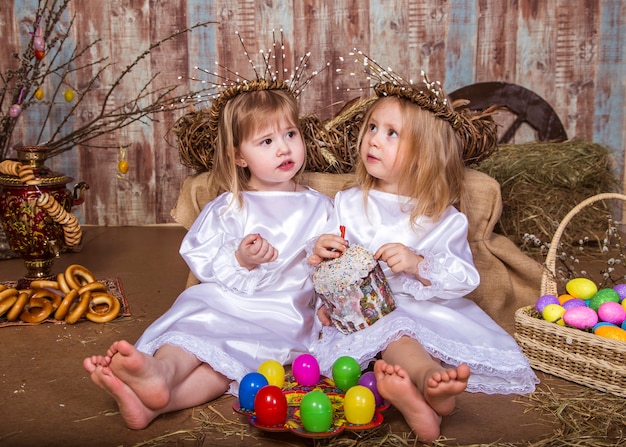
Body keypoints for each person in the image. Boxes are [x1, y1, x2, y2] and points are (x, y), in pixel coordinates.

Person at [83, 85, 334, 430]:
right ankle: (163, 373)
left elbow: (332, 259)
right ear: (238, 157)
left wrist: (325, 271)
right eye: (266, 142)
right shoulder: (231, 206)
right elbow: (202, 255)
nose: (284, 148)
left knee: (227, 363)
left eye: (290, 134)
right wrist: (242, 259)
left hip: (283, 314)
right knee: (195, 323)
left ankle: (158, 402)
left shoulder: (319, 207)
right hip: (227, 301)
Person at [308, 76, 538, 442]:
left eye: (391, 134)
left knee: (401, 334)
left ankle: (424, 387)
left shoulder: (440, 216)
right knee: (391, 336)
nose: (374, 139)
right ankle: (426, 391)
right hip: (364, 315)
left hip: (425, 311)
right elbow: (332, 265)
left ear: (423, 155)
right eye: (372, 128)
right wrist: (322, 258)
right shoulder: (349, 202)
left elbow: (464, 276)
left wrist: (418, 263)